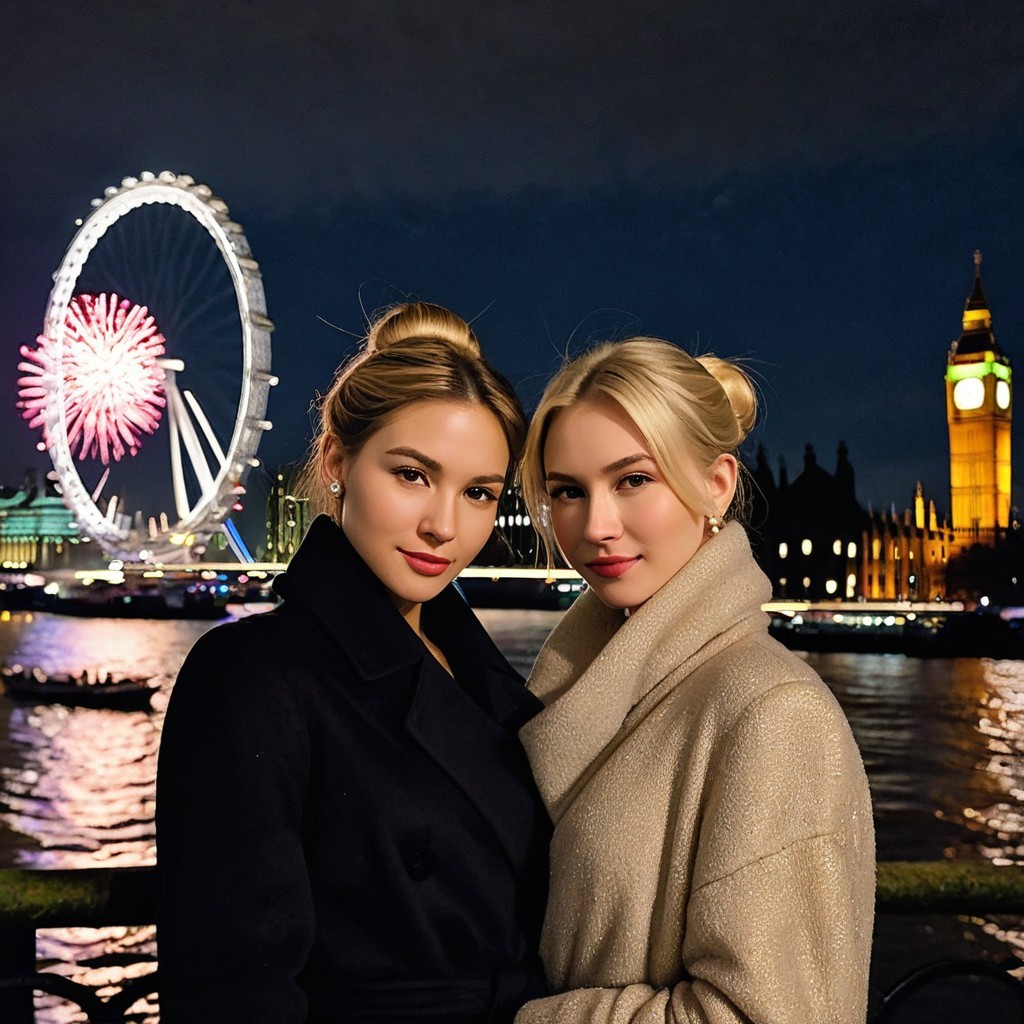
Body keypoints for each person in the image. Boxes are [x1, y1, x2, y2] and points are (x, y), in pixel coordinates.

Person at [157, 302, 550, 1024]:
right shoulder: (250, 676)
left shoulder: (493, 681)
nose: (445, 525)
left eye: (479, 494)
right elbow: (233, 990)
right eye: (411, 475)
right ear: (337, 461)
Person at [514, 337, 875, 1024]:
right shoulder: (580, 689)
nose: (596, 526)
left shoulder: (772, 714)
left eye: (633, 480)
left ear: (718, 484)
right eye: (566, 491)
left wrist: (517, 1016)